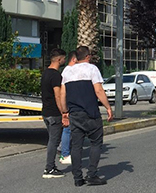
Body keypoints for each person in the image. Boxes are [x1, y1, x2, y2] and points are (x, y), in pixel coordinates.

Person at [61, 46, 113, 187]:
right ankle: (92, 174)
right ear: (88, 56)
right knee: (96, 143)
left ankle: (77, 178)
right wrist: (108, 107)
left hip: (74, 114)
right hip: (90, 113)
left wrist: (64, 111)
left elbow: (63, 93)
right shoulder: (92, 69)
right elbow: (99, 90)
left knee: (76, 146)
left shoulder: (67, 71)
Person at [41, 48, 68, 178]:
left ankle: (50, 167)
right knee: (54, 141)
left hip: (45, 111)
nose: (64, 61)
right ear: (59, 59)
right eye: (64, 59)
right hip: (54, 113)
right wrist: (63, 112)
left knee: (52, 140)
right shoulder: (56, 75)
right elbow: (58, 96)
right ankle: (49, 168)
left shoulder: (45, 73)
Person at [58, 51, 77, 165]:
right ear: (74, 59)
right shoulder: (69, 71)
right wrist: (64, 110)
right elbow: (63, 91)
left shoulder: (67, 70)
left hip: (70, 102)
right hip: (70, 102)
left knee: (69, 129)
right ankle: (64, 152)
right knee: (68, 128)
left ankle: (65, 150)